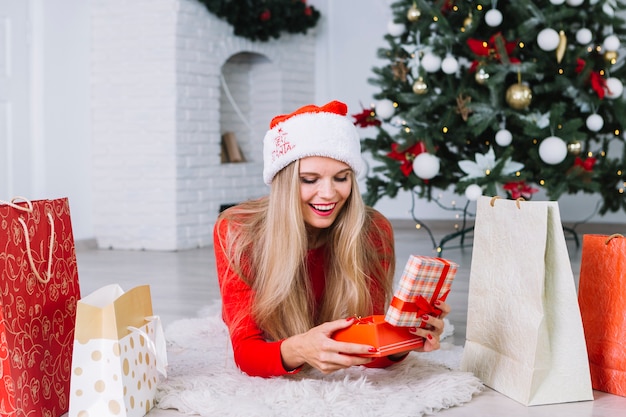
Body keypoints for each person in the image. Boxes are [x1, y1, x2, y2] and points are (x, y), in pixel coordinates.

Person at [213, 100, 450, 378]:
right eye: (309, 180)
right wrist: (300, 349)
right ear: (285, 183)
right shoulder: (237, 230)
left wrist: (402, 341)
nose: (328, 194)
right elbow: (248, 354)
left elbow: (370, 350)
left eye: (341, 178)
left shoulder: (372, 230)